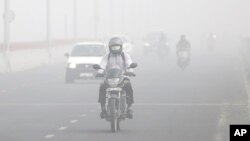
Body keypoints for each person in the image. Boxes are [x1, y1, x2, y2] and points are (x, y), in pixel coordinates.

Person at [98, 37, 134, 118]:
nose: (115, 49)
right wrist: (100, 72)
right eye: (113, 47)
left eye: (117, 46)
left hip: (123, 77)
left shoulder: (125, 56)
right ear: (110, 47)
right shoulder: (107, 56)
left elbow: (129, 64)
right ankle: (103, 108)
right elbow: (102, 65)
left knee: (128, 85)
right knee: (102, 86)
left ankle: (129, 107)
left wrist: (130, 71)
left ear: (121, 47)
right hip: (109, 78)